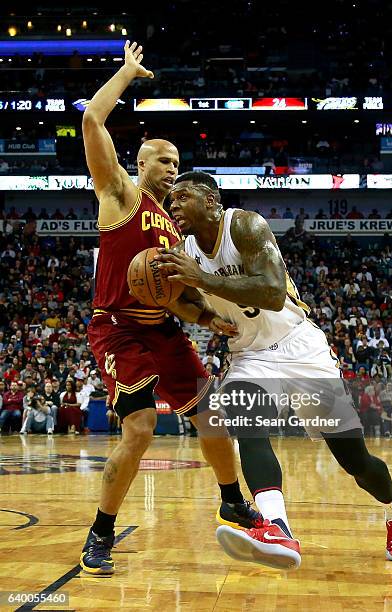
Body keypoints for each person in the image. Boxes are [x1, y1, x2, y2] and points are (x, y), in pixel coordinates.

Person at [156, 171, 392, 569]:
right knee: (246, 426)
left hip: (300, 347)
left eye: (182, 196)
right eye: (170, 199)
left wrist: (203, 279)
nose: (173, 204)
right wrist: (206, 318)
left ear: (210, 201)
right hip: (248, 353)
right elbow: (183, 299)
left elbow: (274, 293)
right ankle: (277, 527)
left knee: (355, 461)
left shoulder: (243, 225)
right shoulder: (182, 250)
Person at [79, 41, 261, 575]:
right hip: (118, 331)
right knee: (139, 428)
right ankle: (101, 532)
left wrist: (208, 318)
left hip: (163, 331)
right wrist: (126, 74)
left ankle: (231, 499)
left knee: (211, 414)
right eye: (164, 160)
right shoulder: (118, 194)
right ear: (140, 163)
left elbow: (176, 298)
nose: (172, 168)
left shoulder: (174, 228)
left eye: (178, 163)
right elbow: (92, 118)